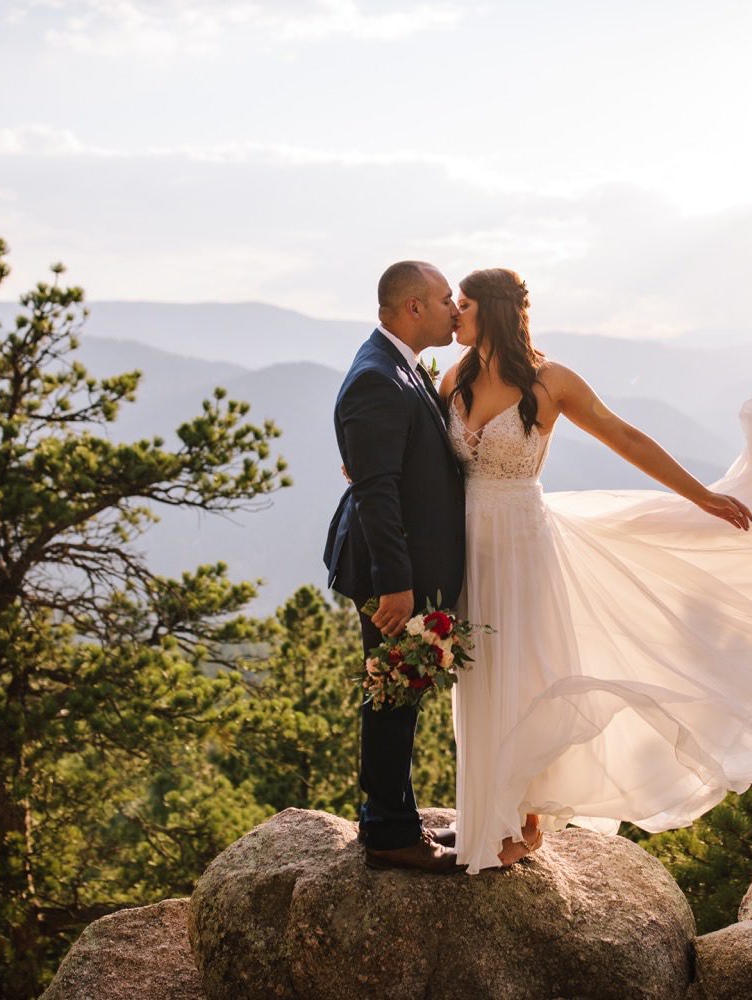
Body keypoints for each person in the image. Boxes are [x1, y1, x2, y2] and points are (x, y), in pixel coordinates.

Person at [437, 268, 752, 873]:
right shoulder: (454, 378)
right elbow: (422, 453)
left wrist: (701, 497)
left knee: (528, 673)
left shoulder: (552, 381)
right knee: (482, 674)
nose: (453, 316)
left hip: (523, 544)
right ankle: (486, 816)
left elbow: (624, 436)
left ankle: (526, 822)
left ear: (488, 310)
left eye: (461, 305)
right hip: (470, 545)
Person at [324, 260, 465, 873]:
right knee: (390, 694)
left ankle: (397, 821)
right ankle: (387, 833)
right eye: (442, 300)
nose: (453, 310)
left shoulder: (399, 367)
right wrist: (397, 586)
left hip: (405, 560)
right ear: (413, 308)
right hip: (391, 571)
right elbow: (376, 490)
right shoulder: (377, 378)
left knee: (400, 693)